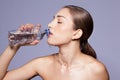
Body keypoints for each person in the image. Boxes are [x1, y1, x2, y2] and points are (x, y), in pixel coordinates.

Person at [0, 5, 109, 80]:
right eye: (53, 19)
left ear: (76, 34)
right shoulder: (42, 64)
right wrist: (14, 45)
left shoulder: (95, 69)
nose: (50, 24)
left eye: (59, 21)